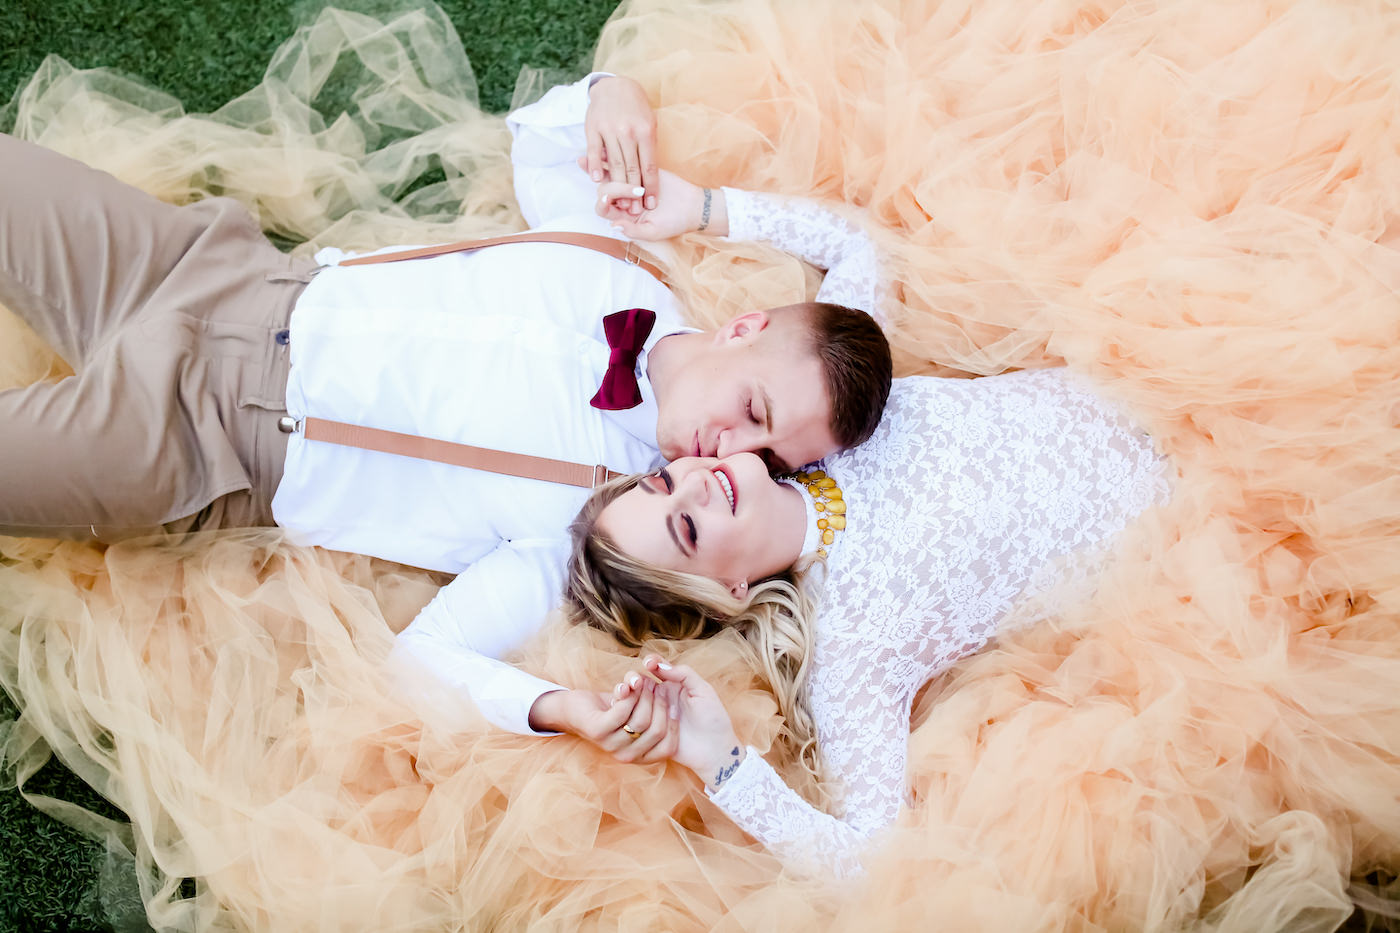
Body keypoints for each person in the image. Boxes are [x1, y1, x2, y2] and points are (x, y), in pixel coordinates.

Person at [0, 73, 892, 743]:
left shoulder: (598, 519)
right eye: (754, 409)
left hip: (200, 438)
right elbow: (540, 140)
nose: (727, 444)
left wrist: (558, 709)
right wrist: (609, 93)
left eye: (765, 453)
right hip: (215, 269)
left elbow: (425, 660)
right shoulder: (626, 256)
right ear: (741, 329)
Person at [562, 368, 1175, 876]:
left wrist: (709, 212)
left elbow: (857, 259)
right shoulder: (851, 649)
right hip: (1193, 528)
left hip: (1168, 383)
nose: (694, 486)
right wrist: (723, 763)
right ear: (726, 588)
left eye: (665, 480)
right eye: (687, 528)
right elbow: (873, 864)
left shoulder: (810, 421)